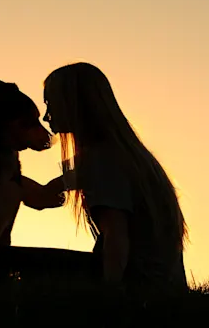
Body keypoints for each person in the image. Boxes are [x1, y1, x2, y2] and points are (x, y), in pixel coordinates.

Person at [42, 62, 189, 299]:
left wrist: (110, 296)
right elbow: (45, 194)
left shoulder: (103, 160)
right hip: (162, 285)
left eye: (51, 104)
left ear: (75, 104)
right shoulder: (117, 154)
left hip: (143, 291)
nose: (46, 116)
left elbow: (116, 237)